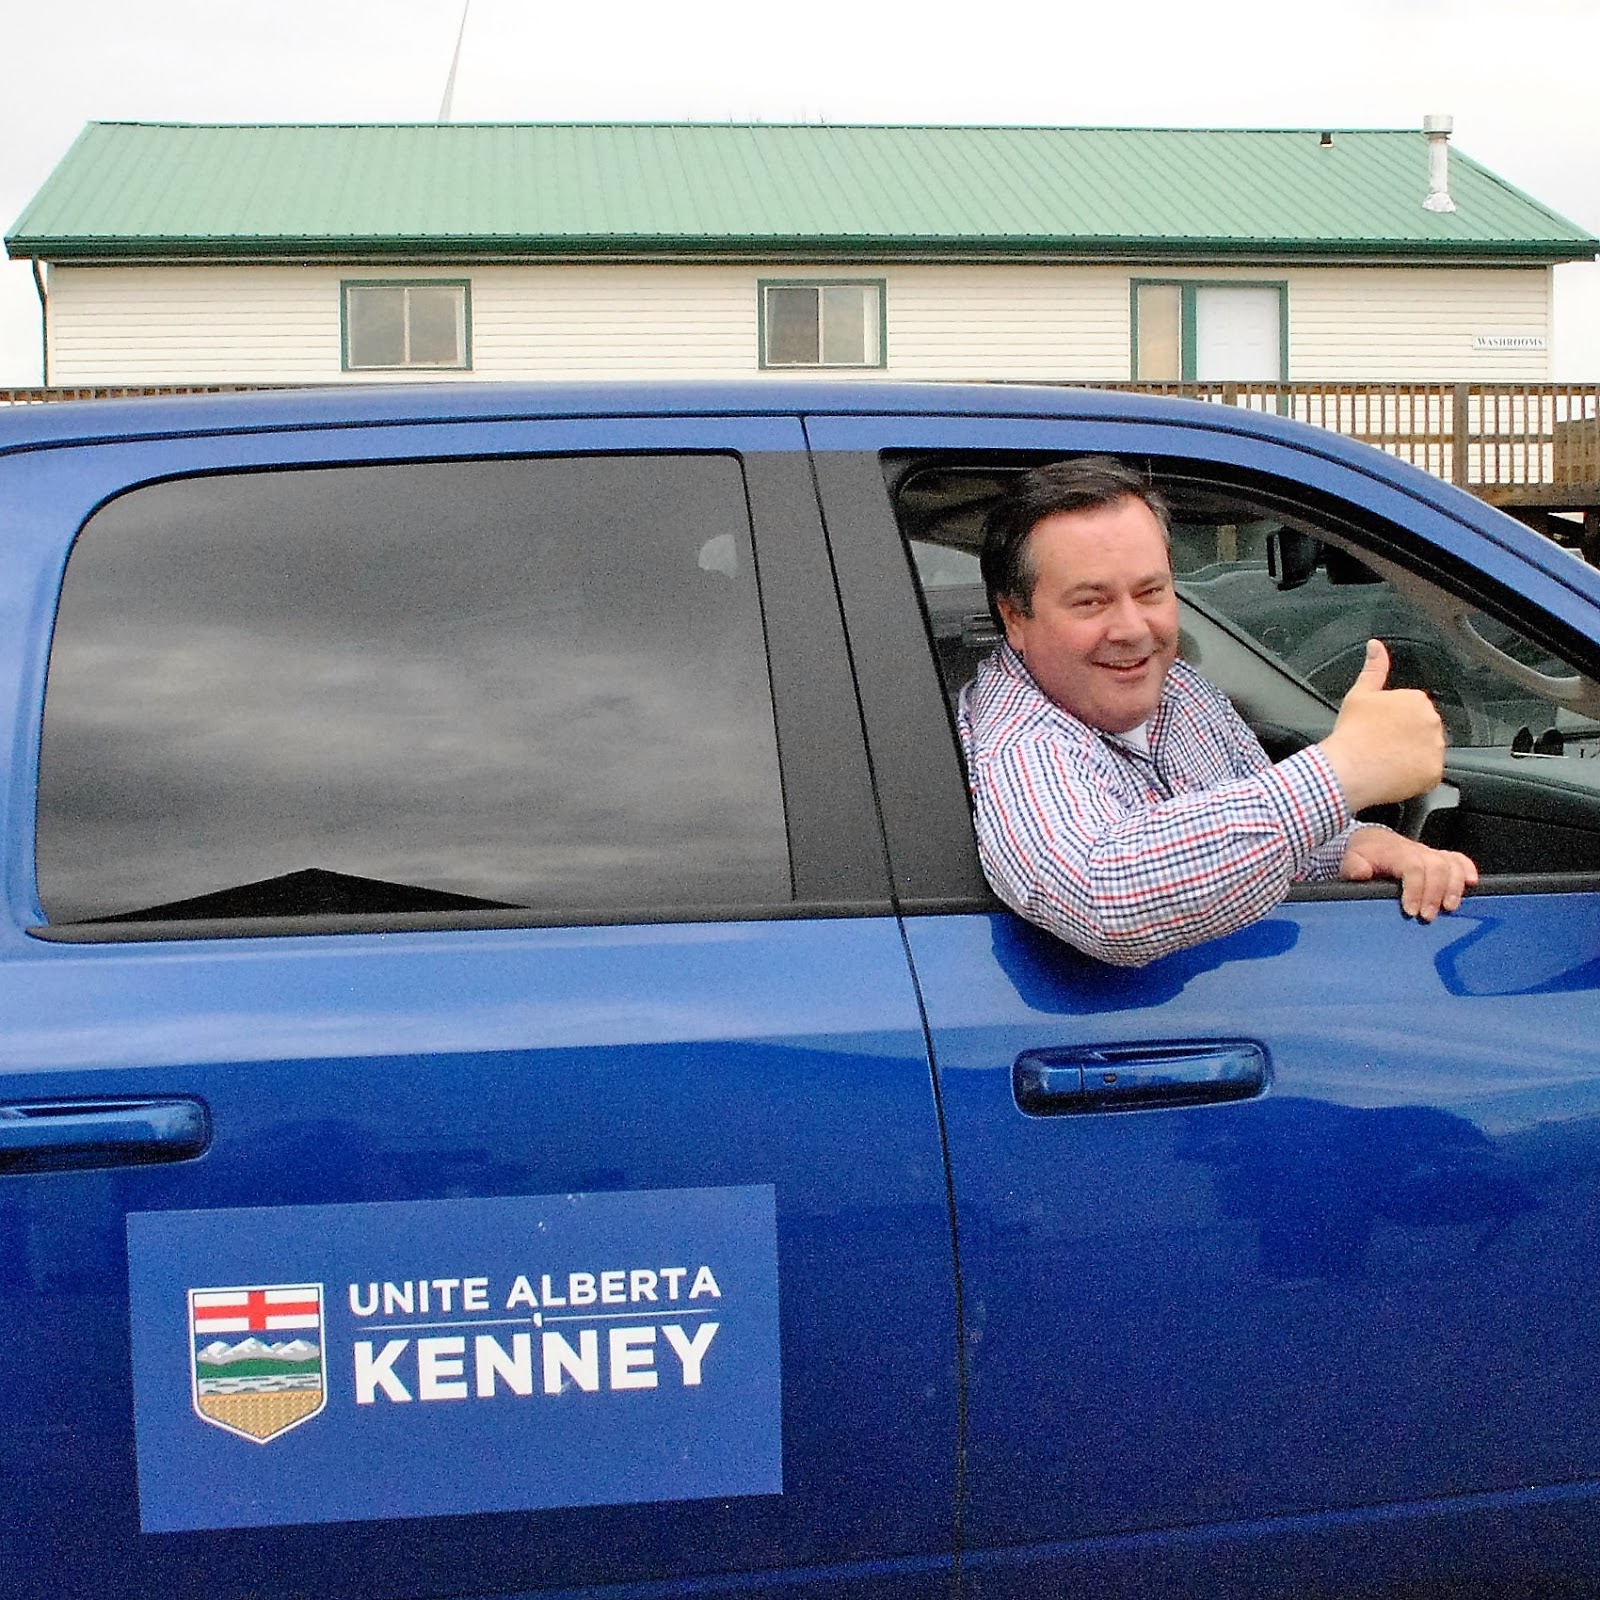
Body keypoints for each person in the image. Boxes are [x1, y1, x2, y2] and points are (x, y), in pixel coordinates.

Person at [959, 456, 1479, 967]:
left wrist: (1358, 845)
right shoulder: (1020, 740)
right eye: (1091, 602)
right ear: (1015, 618)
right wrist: (1340, 774)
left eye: (1150, 592)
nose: (1134, 629)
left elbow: (1266, 832)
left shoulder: (1183, 691)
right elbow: (1103, 894)